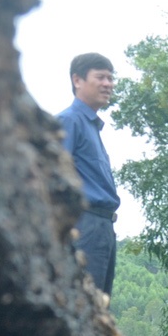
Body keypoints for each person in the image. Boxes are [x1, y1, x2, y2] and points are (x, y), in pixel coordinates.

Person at [58, 53, 120, 295]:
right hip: (85, 224)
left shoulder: (92, 126)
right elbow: (55, 180)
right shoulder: (68, 121)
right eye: (101, 77)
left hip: (104, 227)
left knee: (100, 307)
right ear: (77, 80)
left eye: (111, 78)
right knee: (85, 303)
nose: (108, 84)